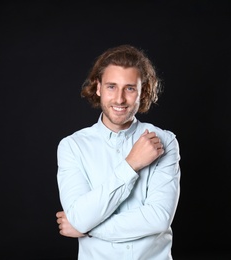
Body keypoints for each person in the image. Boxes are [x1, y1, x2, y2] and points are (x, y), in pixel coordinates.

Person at [56, 44, 181, 259]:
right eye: (112, 86)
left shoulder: (164, 141)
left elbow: (159, 217)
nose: (120, 99)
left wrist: (88, 228)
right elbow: (78, 215)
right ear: (98, 88)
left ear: (144, 91)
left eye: (130, 88)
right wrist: (131, 164)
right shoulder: (72, 146)